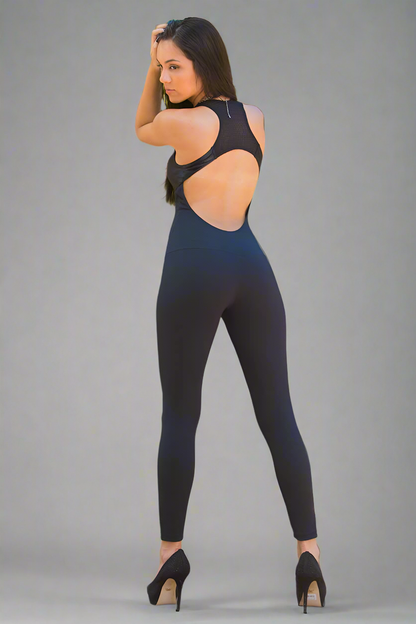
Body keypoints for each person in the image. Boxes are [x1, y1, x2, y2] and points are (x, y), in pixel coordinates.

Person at [135, 18, 327, 614]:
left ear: (203, 62)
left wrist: (143, 65)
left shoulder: (183, 124)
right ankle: (311, 558)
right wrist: (163, 62)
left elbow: (141, 127)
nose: (167, 78)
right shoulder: (256, 118)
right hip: (252, 269)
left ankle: (170, 559)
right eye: (162, 68)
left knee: (179, 415)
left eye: (175, 66)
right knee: (279, 416)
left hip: (194, 268)